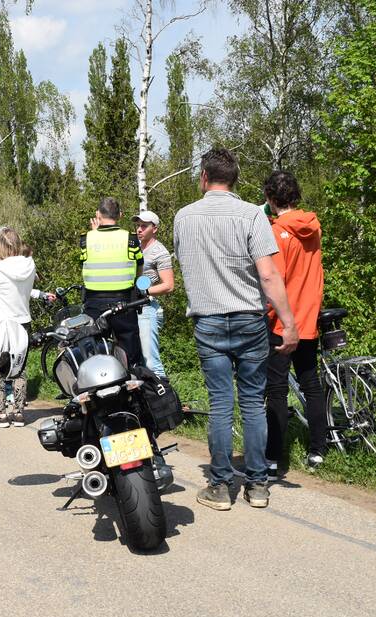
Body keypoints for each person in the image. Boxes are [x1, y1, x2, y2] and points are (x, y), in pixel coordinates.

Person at [174, 148, 298, 511]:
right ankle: (257, 485)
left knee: (221, 403)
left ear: (203, 176)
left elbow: (185, 262)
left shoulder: (184, 217)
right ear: (236, 179)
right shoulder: (251, 215)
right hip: (249, 318)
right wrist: (289, 324)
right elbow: (269, 274)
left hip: (208, 319)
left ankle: (221, 486)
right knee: (253, 403)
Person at [263, 170, 326, 476]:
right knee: (310, 384)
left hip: (283, 322)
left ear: (270, 198)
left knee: (275, 390)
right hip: (309, 316)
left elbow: (275, 279)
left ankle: (273, 456)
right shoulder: (313, 227)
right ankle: (317, 451)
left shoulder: (277, 232)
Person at [0, 226, 36, 427]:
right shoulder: (29, 266)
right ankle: (19, 413)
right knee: (19, 368)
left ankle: (0, 414)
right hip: (22, 322)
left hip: (0, 325)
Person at [80, 198, 144, 367]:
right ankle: (134, 384)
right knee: (131, 354)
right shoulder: (130, 239)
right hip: (124, 303)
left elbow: (84, 266)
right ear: (120, 215)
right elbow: (139, 267)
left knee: (95, 352)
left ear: (97, 214)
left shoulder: (86, 239)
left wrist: (94, 233)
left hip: (94, 304)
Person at [133, 210, 175, 377]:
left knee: (150, 362)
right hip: (129, 307)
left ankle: (166, 401)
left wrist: (143, 291)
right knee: (132, 361)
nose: (139, 229)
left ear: (154, 229)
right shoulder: (133, 246)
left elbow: (169, 285)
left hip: (147, 308)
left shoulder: (160, 252)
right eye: (137, 226)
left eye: (144, 226)